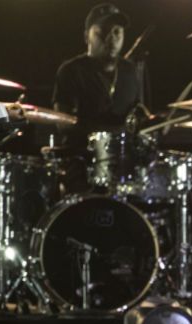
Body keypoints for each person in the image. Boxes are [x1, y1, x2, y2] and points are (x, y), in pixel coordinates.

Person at [52, 3, 141, 193]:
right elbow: (62, 122)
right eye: (103, 32)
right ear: (86, 36)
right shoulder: (71, 70)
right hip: (80, 167)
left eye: (117, 32)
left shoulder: (130, 71)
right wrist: (110, 131)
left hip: (123, 168)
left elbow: (138, 113)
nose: (111, 38)